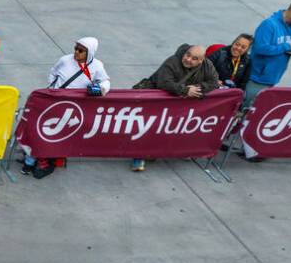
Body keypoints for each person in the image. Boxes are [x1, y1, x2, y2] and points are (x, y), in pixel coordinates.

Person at [25, 37, 111, 179]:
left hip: (72, 107)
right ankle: (37, 157)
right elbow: (53, 72)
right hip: (54, 100)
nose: (76, 52)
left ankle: (48, 161)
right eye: (75, 48)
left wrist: (101, 89)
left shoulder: (97, 66)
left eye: (81, 50)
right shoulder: (65, 60)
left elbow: (105, 81)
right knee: (43, 128)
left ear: (89, 53)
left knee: (59, 134)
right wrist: (53, 88)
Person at [129, 44, 220, 171]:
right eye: (187, 55)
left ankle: (157, 152)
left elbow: (214, 82)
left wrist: (197, 89)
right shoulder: (172, 62)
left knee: (172, 127)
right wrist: (185, 90)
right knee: (150, 127)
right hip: (156, 100)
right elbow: (164, 83)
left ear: (201, 60)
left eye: (194, 58)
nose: (188, 59)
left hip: (178, 102)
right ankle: (138, 157)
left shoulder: (207, 65)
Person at [244, 0, 291, 111]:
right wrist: (286, 46)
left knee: (258, 111)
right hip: (257, 77)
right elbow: (260, 48)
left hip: (273, 78)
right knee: (246, 110)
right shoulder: (269, 24)